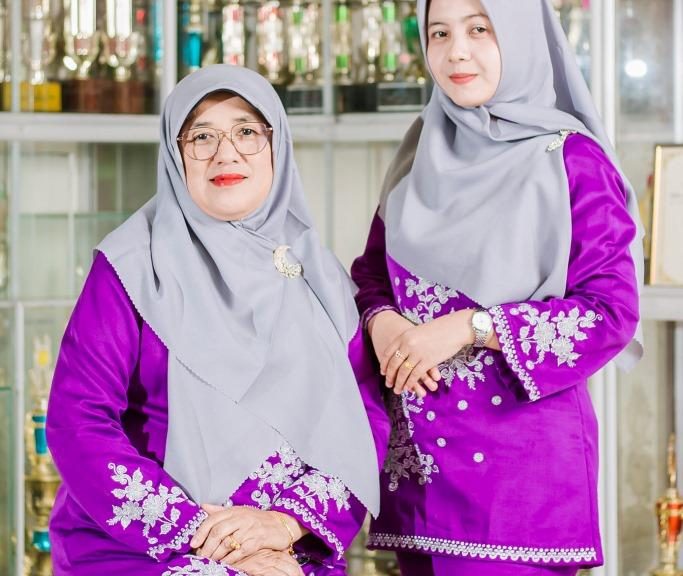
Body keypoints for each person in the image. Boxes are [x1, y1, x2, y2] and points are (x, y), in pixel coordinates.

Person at [46, 64, 382, 576]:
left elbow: (364, 417)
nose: (226, 153)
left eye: (246, 131)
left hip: (286, 545)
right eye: (201, 136)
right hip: (144, 548)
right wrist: (207, 537)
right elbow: (78, 421)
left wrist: (286, 525)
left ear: (277, 145)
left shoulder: (318, 275)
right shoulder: (130, 268)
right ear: (175, 154)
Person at [351, 0, 644, 574]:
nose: (456, 51)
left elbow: (611, 311)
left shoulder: (571, 160)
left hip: (520, 489)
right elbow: (372, 274)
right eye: (439, 33)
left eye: (479, 29)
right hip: (418, 480)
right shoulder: (422, 149)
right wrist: (382, 322)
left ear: (520, 33)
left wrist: (471, 327)